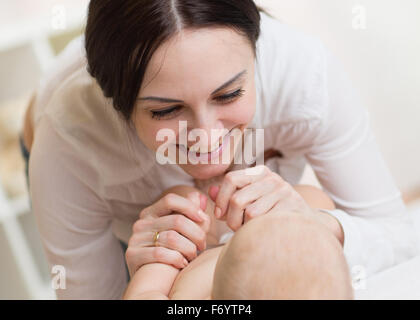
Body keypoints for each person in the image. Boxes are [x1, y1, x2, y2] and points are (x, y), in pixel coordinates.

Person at [22, 0, 418, 299]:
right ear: (120, 108)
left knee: (316, 204)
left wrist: (320, 225)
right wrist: (146, 274)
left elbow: (396, 235)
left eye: (229, 94)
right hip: (63, 151)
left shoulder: (305, 80)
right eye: (166, 110)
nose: (207, 141)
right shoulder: (69, 146)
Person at [123, 184, 353, 300]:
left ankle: (198, 217)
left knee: (184, 204)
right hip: (300, 250)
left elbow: (145, 294)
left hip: (208, 260)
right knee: (313, 197)